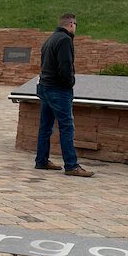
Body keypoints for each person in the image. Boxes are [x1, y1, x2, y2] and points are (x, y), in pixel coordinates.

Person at [35, 13, 94, 177]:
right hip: (58, 90)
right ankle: (71, 165)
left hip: (45, 86)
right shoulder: (65, 40)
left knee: (45, 126)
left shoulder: (50, 39)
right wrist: (70, 83)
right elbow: (65, 66)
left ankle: (41, 160)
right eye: (76, 25)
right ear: (71, 24)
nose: (76, 28)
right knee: (67, 126)